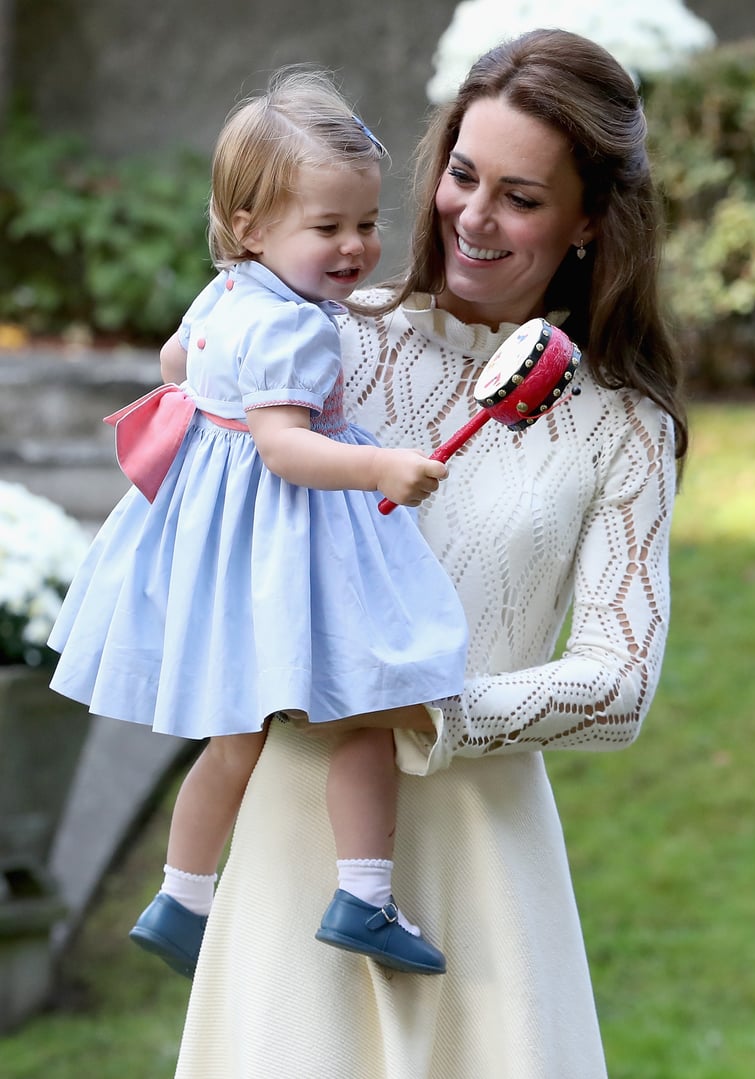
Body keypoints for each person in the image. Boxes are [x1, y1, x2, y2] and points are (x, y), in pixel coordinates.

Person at [173, 28, 688, 1079]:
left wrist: (417, 706)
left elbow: (619, 683)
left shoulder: (622, 426)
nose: (474, 215)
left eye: (522, 196)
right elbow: (202, 511)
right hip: (292, 838)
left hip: (481, 860)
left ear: (590, 220)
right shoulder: (324, 338)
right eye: (462, 174)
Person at [47, 67, 469, 981]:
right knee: (364, 707)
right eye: (329, 228)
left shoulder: (229, 294)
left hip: (224, 545)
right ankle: (363, 894)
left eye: (365, 223)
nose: (355, 247)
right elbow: (286, 450)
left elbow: (173, 363)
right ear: (250, 224)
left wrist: (213, 391)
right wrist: (381, 464)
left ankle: (183, 895)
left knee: (234, 738)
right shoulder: (302, 330)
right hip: (287, 535)